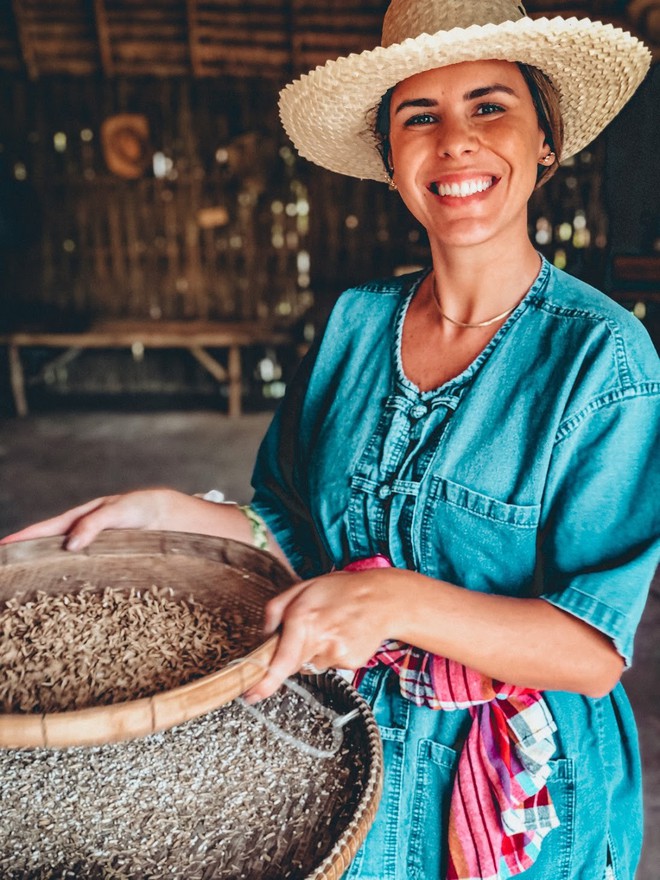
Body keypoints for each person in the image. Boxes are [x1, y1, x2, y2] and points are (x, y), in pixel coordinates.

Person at [3, 0, 659, 877]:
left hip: (522, 792)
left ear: (546, 138)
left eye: (490, 105)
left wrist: (392, 603)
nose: (456, 141)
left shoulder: (601, 356)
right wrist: (178, 511)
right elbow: (293, 528)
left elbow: (590, 651)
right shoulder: (357, 324)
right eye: (418, 117)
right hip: (346, 749)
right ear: (392, 162)